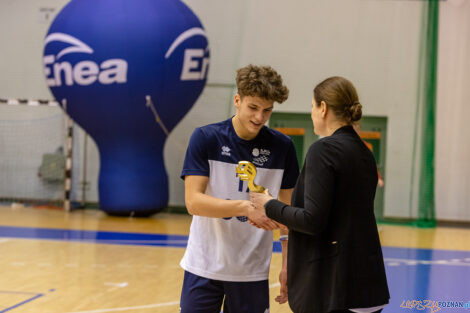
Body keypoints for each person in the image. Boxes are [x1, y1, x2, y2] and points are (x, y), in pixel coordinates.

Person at [251, 76, 390, 313]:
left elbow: (312, 221)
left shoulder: (323, 150)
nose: (312, 113)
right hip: (368, 286)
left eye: (312, 106)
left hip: (335, 289)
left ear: (323, 108)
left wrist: (269, 204)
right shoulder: (364, 152)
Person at [179, 64, 300, 313]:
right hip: (204, 266)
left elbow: (287, 213)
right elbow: (193, 202)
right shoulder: (205, 138)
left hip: (252, 271)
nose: (259, 117)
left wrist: (288, 264)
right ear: (237, 100)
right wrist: (246, 208)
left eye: (267, 111)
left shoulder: (283, 147)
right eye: (253, 108)